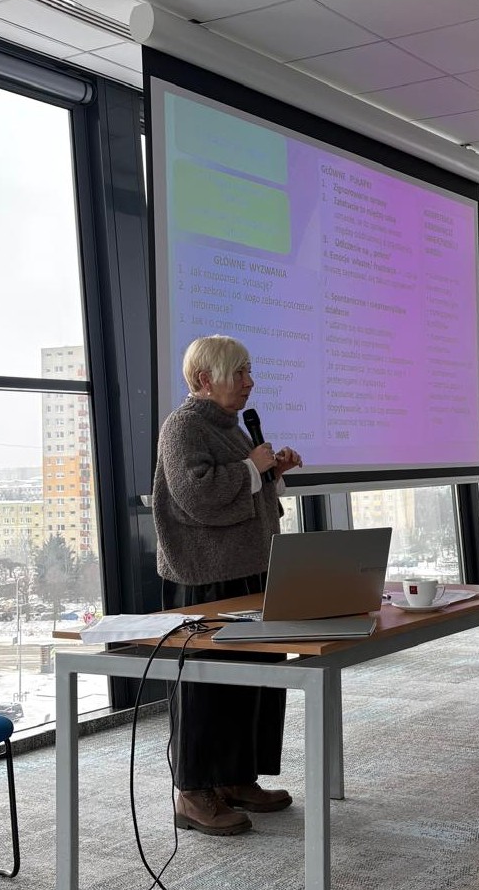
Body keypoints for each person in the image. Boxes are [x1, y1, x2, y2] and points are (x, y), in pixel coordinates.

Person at [151, 334, 303, 836]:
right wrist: (251, 469)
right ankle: (193, 793)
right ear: (203, 379)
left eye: (248, 371)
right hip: (206, 579)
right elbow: (197, 496)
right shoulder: (183, 427)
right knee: (207, 690)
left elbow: (246, 490)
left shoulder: (231, 428)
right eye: (239, 373)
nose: (249, 382)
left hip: (251, 569)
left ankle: (237, 778)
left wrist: (271, 473)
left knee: (255, 682)